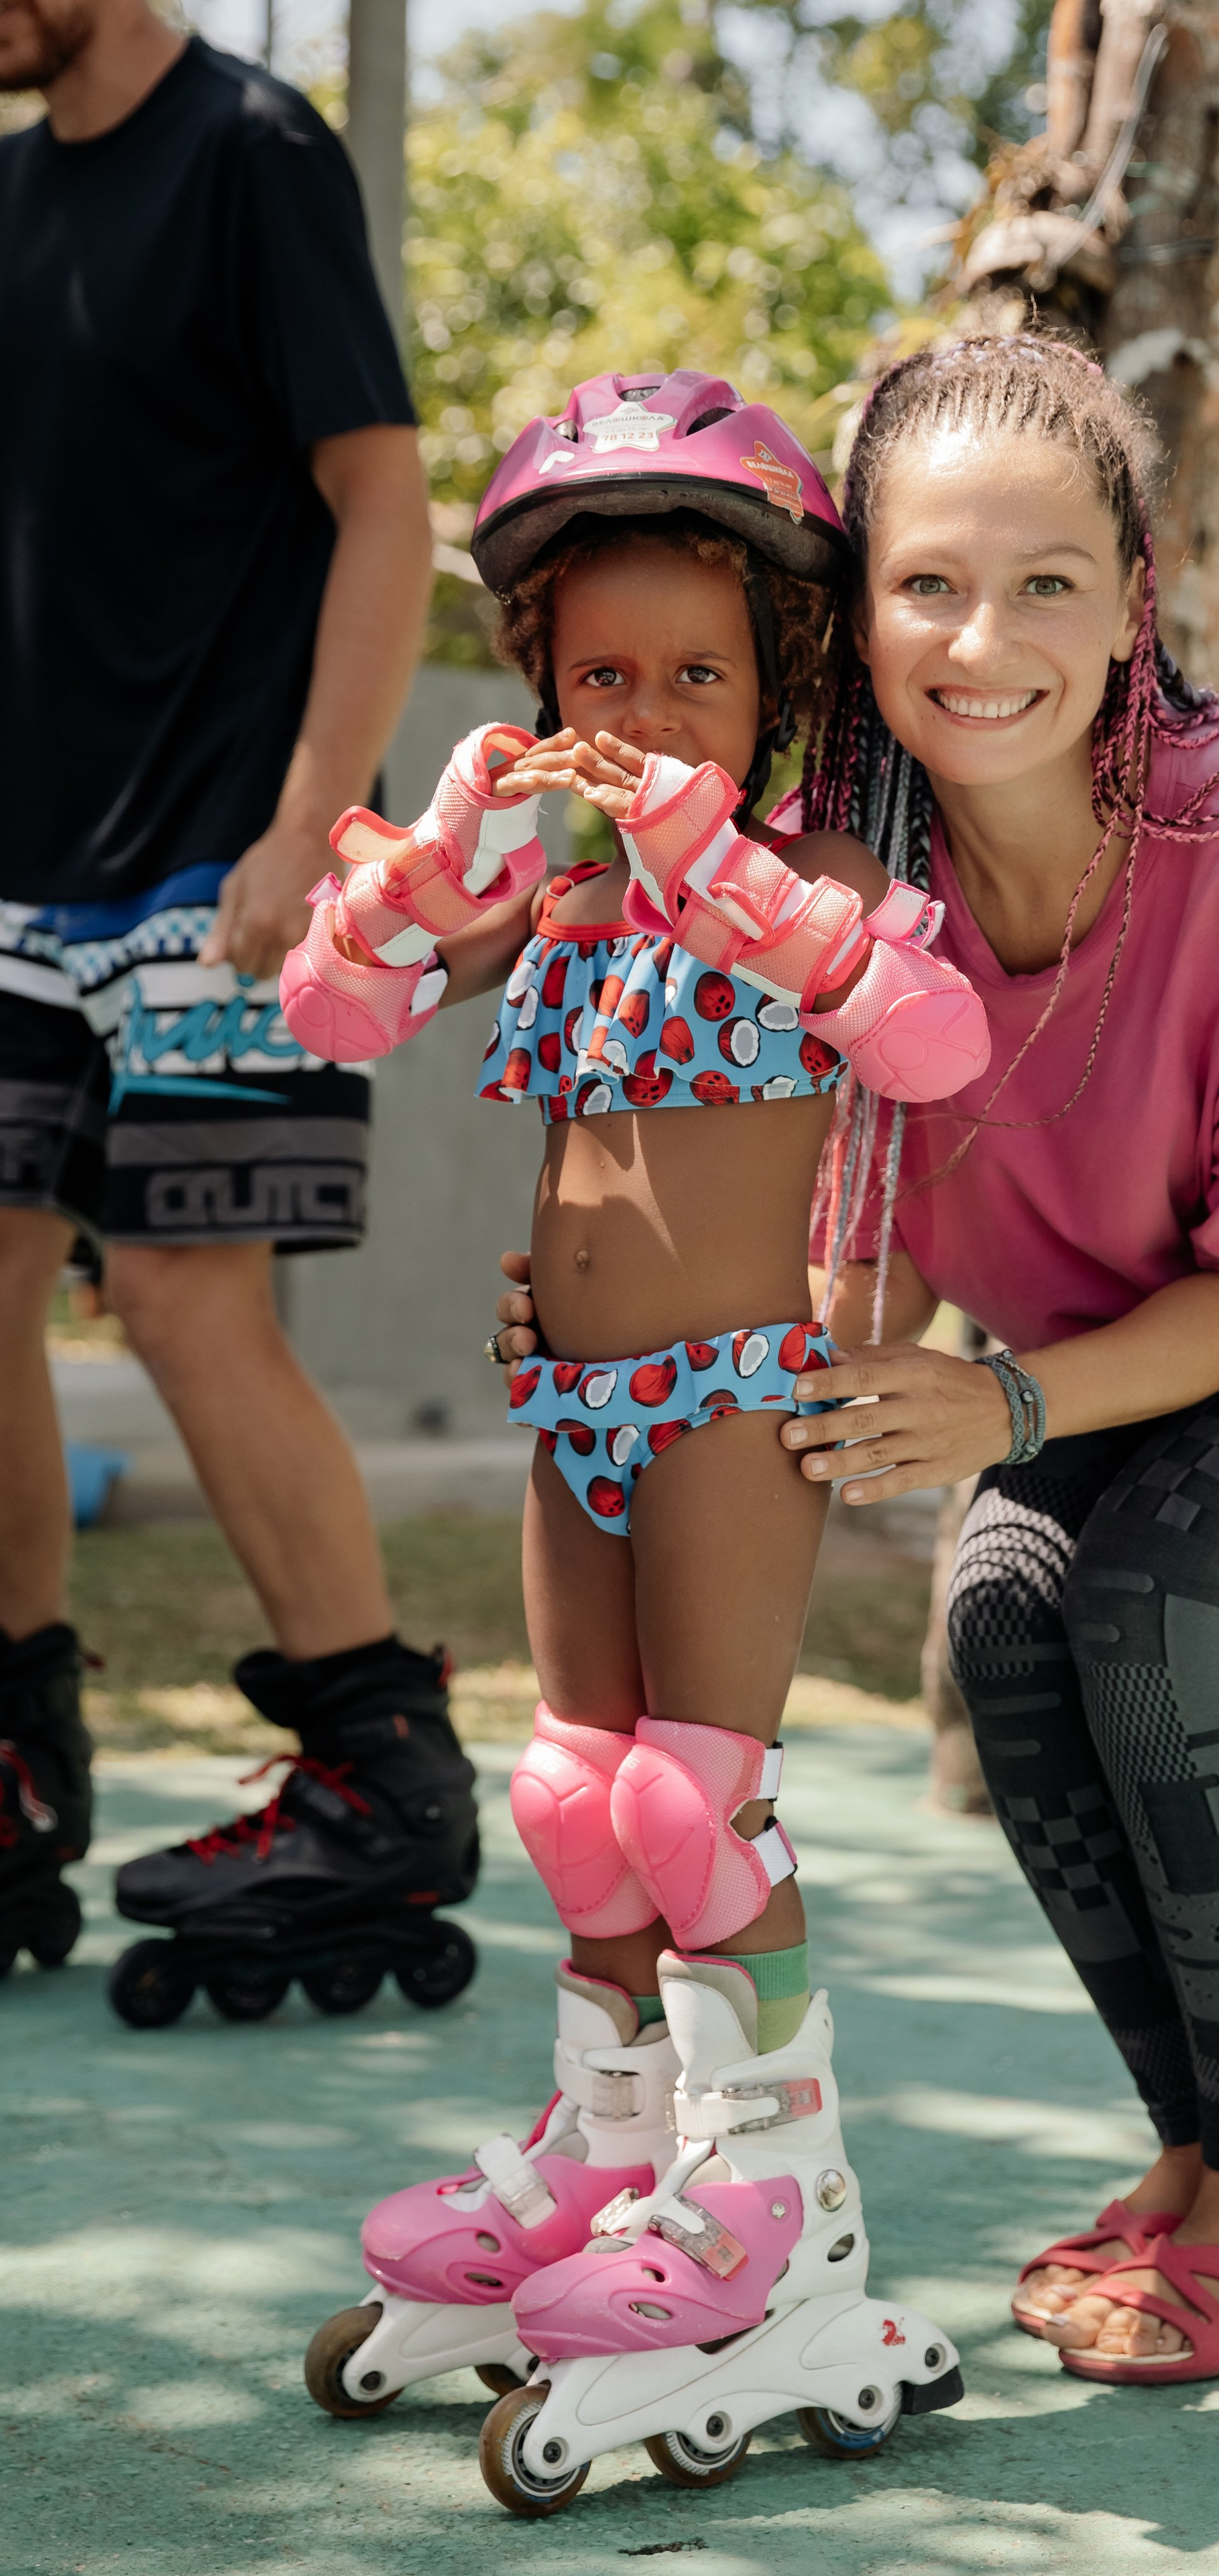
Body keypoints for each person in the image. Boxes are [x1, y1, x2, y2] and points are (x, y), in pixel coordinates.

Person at [496, 333, 1219, 2390]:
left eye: (1047, 584)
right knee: (1007, 1607)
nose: (981, 638)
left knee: (1150, 1584)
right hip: (1132, 1300)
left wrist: (1001, 1402)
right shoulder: (829, 861)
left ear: (1133, 602)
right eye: (927, 585)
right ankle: (1200, 2147)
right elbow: (826, 1227)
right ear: (862, 605)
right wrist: (612, 1324)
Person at [290, 373, 980, 2449]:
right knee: (580, 1797)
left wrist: (734, 877)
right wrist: (442, 854)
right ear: (548, 680)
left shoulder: (808, 871)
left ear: (774, 681)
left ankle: (765, 2191)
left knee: (696, 1800)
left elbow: (928, 1038)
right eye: (610, 672)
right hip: (576, 1409)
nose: (657, 710)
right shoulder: (568, 901)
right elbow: (333, 1009)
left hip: (732, 1402)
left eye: (701, 671)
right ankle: (608, 2160)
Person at [0, 0, 476, 2012]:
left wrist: (313, 822)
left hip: (216, 867)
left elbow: (385, 495)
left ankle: (380, 1770)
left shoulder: (254, 152)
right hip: (21, 874)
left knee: (190, 1295)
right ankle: (18, 1756)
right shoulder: (14, 193)